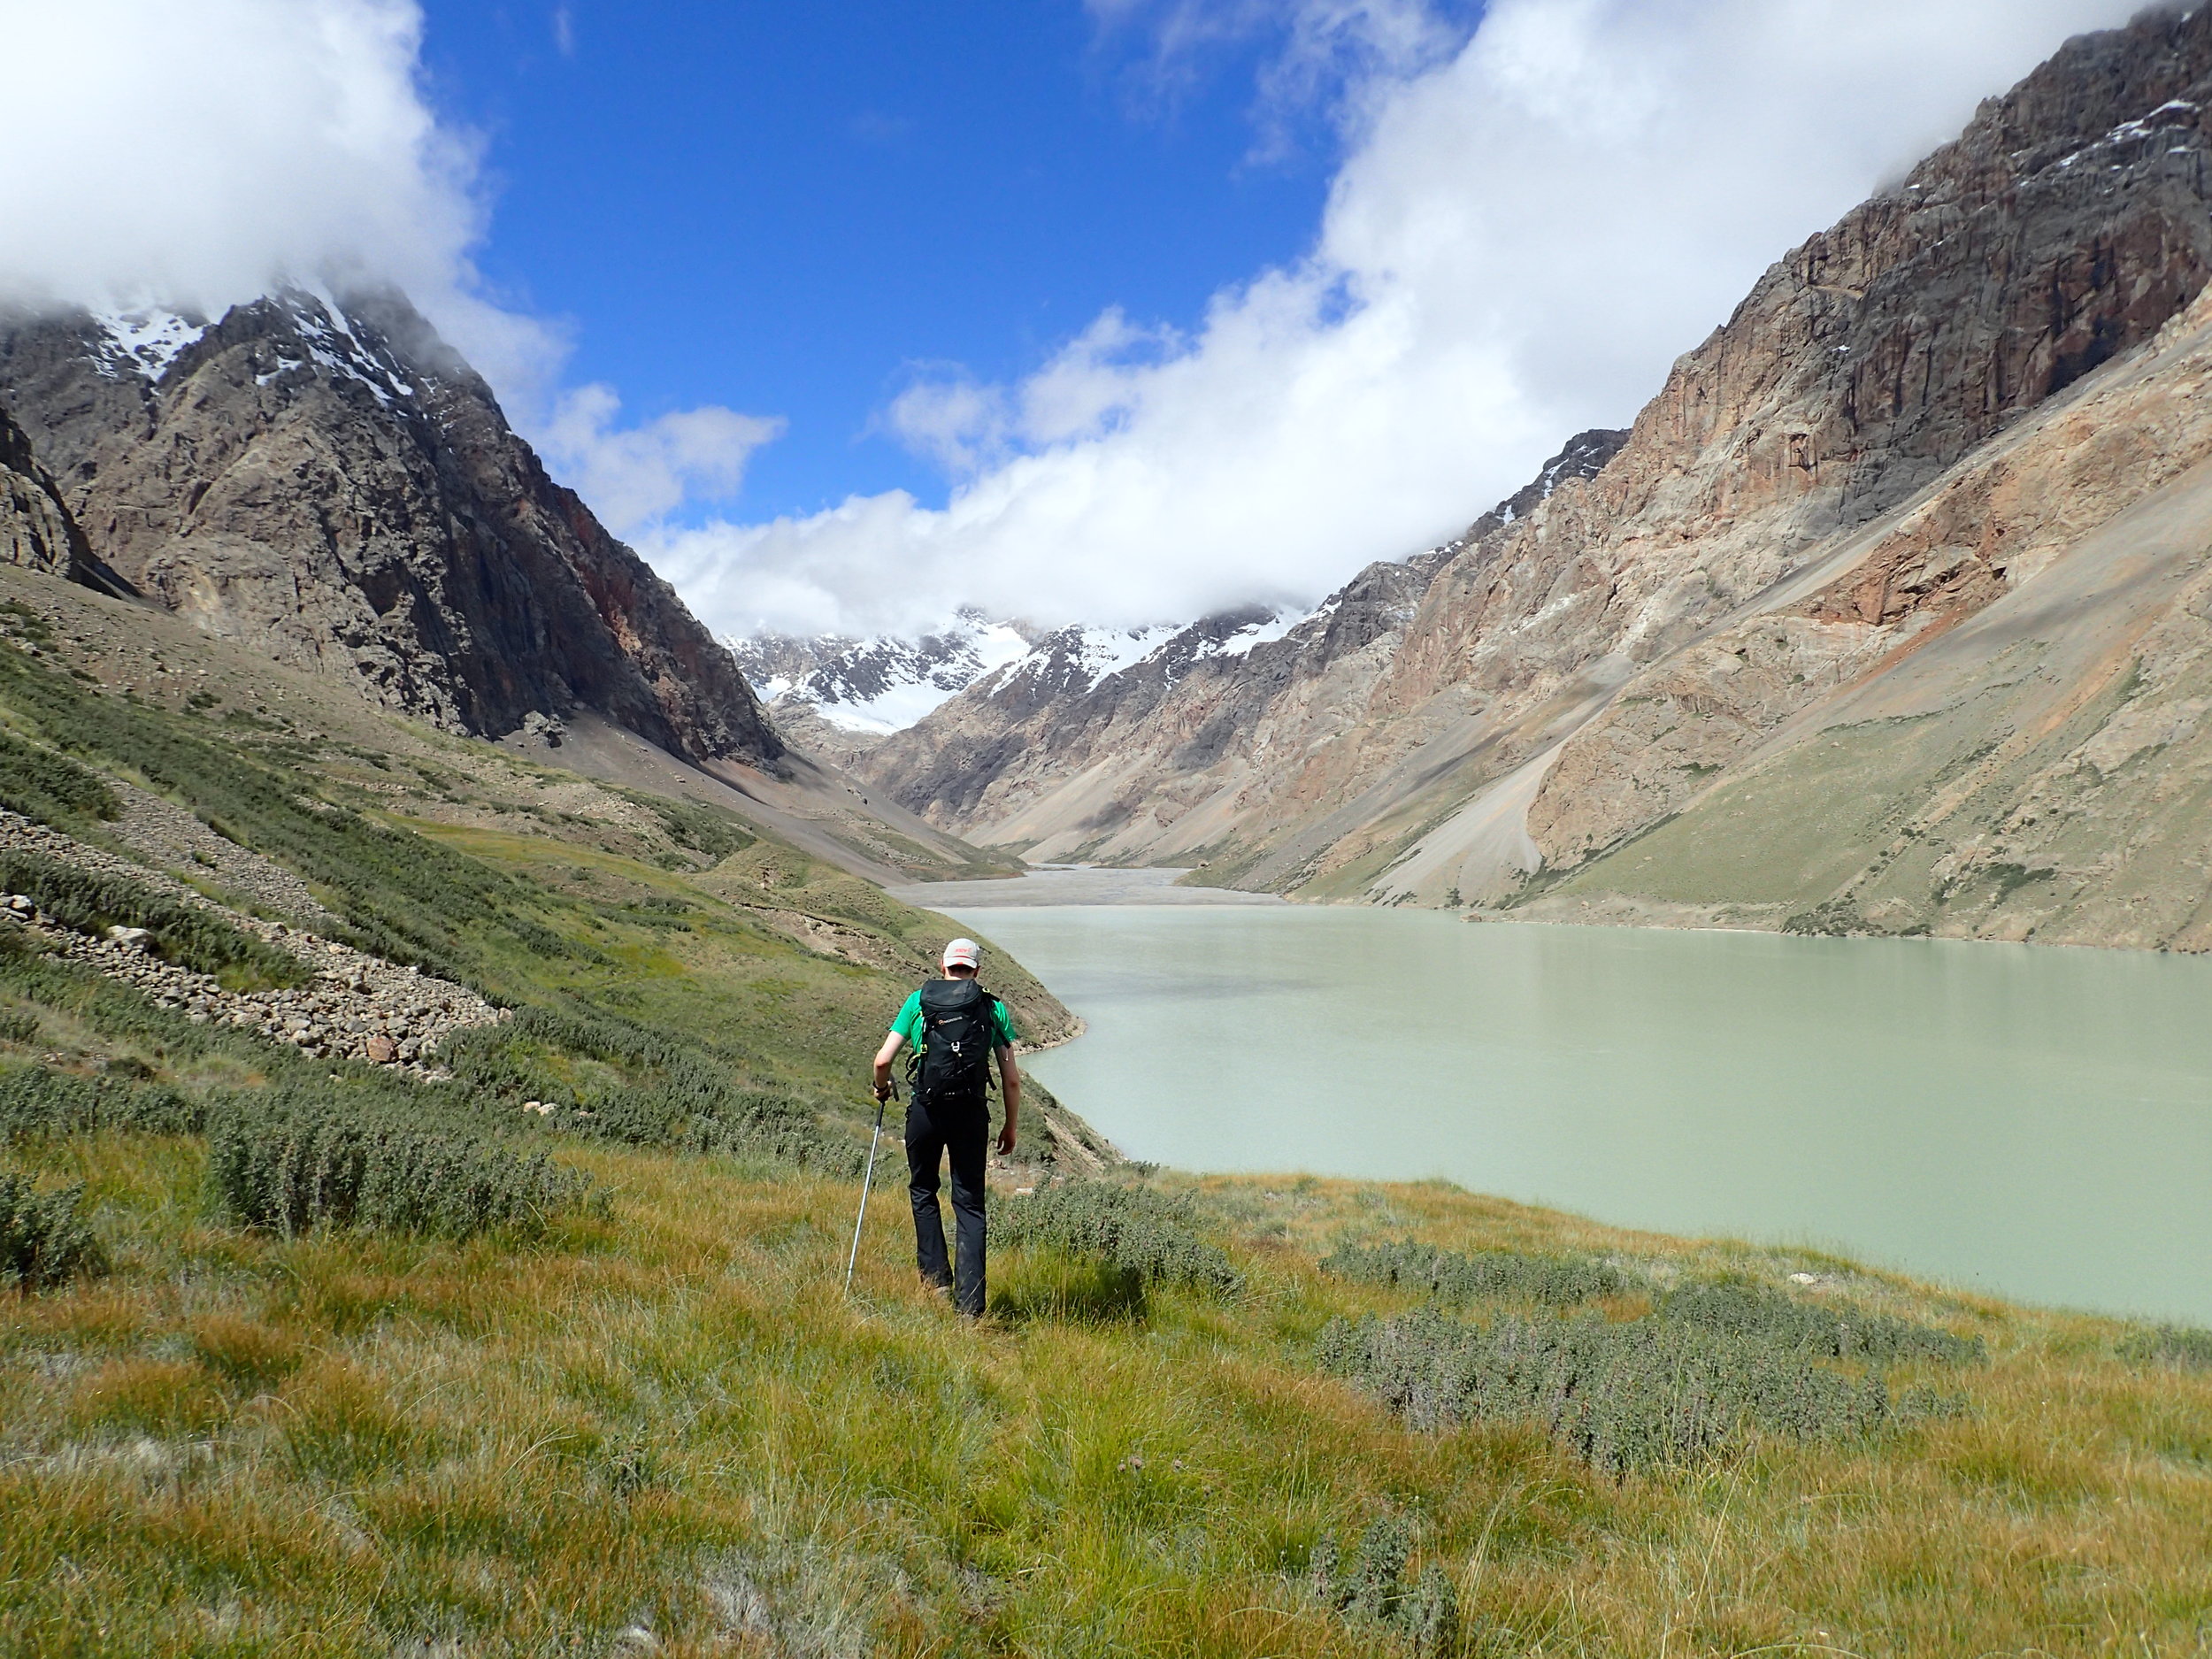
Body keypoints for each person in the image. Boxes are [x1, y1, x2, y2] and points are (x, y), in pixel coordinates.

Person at [872, 937, 1019, 1317]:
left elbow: (882, 1061)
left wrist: (881, 1087)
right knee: (969, 1203)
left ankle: (936, 1282)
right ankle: (971, 1309)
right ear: (976, 970)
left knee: (923, 1189)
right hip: (970, 1114)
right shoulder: (993, 1008)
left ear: (943, 965)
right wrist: (1010, 1126)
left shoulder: (917, 1001)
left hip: (926, 1111)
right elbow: (1011, 1079)